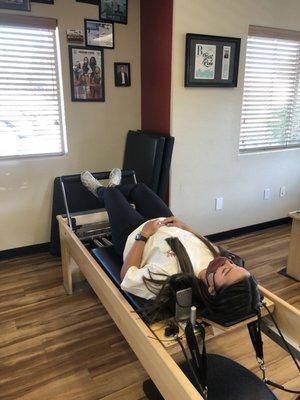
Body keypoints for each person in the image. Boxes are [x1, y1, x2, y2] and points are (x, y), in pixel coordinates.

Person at [81, 170, 261, 324]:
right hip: (167, 223)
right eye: (235, 265)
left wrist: (143, 235)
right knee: (139, 188)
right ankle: (112, 189)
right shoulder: (216, 260)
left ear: (212, 290)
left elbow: (126, 276)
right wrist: (184, 226)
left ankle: (102, 191)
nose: (228, 263)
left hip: (134, 234)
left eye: (227, 271)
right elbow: (200, 241)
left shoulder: (173, 278)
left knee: (113, 197)